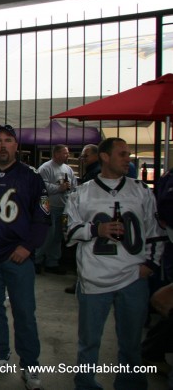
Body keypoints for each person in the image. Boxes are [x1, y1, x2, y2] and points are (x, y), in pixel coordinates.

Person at [65, 137, 162, 390]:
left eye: (128, 154)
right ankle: (85, 384)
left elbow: (155, 232)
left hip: (133, 276)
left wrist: (151, 264)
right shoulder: (82, 193)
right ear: (106, 157)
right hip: (94, 278)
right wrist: (97, 229)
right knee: (89, 341)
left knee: (130, 342)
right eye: (122, 154)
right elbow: (69, 231)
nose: (127, 159)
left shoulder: (141, 191)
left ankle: (131, 385)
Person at [0, 124, 50, 390]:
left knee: (24, 312)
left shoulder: (31, 176)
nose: (3, 145)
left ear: (16, 145)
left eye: (8, 140)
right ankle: (0, 355)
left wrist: (28, 247)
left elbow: (42, 218)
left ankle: (31, 366)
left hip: (18, 256)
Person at [65, 144, 101, 294]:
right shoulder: (92, 171)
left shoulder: (96, 172)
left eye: (86, 156)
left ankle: (84, 281)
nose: (82, 159)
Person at [35, 144, 76, 275]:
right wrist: (59, 188)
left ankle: (52, 262)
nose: (67, 155)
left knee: (58, 235)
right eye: (65, 153)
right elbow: (41, 185)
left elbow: (74, 185)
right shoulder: (45, 168)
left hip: (63, 207)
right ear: (56, 154)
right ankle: (37, 260)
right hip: (49, 206)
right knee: (48, 235)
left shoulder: (68, 169)